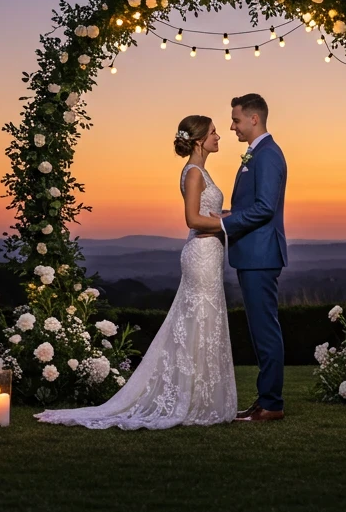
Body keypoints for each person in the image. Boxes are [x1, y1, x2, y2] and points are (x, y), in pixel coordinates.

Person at [35, 115, 237, 429]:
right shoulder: (194, 173)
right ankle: (190, 400)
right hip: (201, 251)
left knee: (203, 323)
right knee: (198, 320)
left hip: (210, 252)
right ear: (199, 140)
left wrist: (227, 214)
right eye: (213, 132)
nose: (218, 136)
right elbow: (192, 220)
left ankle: (201, 397)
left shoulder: (201, 171)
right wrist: (228, 222)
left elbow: (206, 214)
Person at [222, 93, 288, 422]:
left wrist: (223, 223)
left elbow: (264, 208)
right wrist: (221, 214)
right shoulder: (257, 154)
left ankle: (272, 404)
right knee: (260, 330)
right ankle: (265, 399)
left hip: (260, 254)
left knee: (265, 331)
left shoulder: (268, 155)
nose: (231, 126)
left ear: (253, 119)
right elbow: (252, 206)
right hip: (252, 254)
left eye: (235, 120)